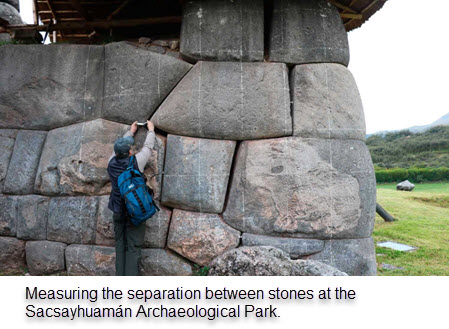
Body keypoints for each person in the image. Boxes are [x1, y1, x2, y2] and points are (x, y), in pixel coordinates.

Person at [107, 120, 155, 276]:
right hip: (135, 211)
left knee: (120, 246)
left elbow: (118, 150)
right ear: (129, 153)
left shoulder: (111, 162)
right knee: (133, 248)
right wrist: (151, 130)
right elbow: (148, 148)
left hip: (118, 210)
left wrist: (130, 131)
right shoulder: (136, 162)